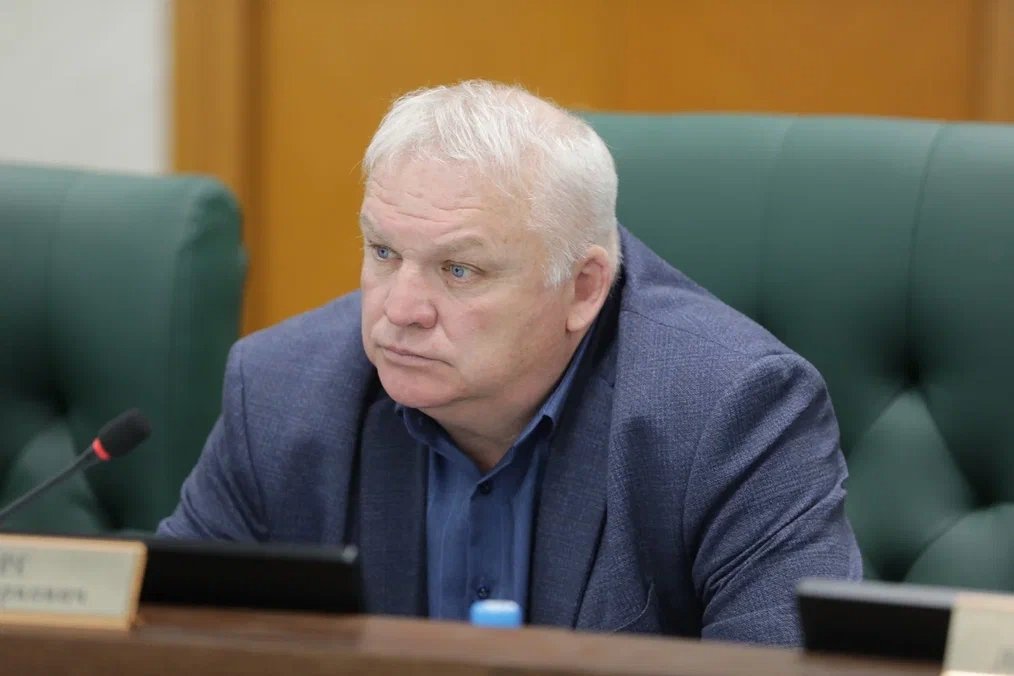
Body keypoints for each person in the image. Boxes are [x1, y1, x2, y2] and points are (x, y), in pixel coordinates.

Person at [158, 80, 862, 645]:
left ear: (582, 287)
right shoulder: (281, 391)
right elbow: (163, 643)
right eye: (384, 252)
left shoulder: (732, 412)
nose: (400, 308)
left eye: (459, 270)